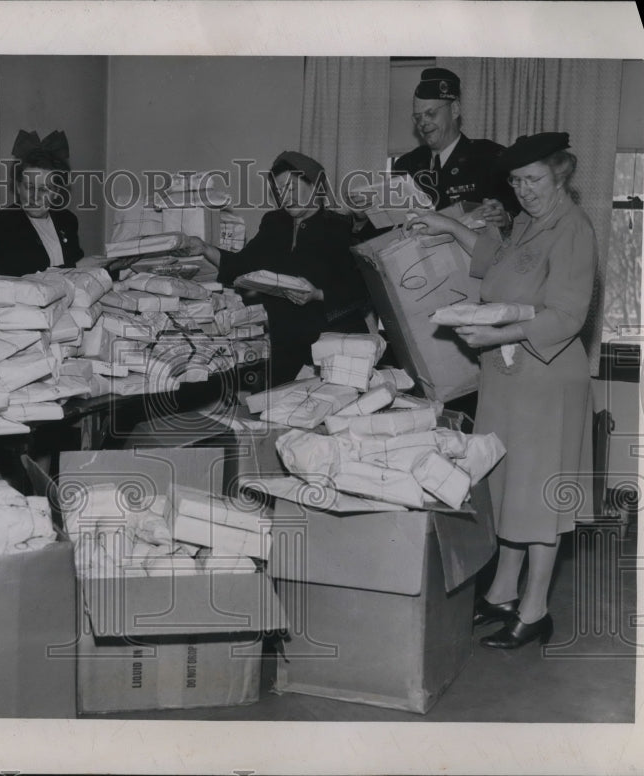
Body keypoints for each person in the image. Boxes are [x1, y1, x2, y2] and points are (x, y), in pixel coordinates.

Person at [409, 132, 597, 649]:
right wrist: (447, 224)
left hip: (546, 379)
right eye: (515, 181)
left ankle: (535, 609)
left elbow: (567, 315)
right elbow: (493, 260)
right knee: (506, 484)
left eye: (534, 179)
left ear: (561, 174)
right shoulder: (530, 224)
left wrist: (496, 333)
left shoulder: (572, 229)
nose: (525, 190)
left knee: (537, 495)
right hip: (509, 377)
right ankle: (501, 593)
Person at [179, 151, 373, 387]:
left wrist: (317, 295)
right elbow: (242, 266)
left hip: (337, 343)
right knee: (271, 410)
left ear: (314, 186)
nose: (285, 197)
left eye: (291, 188)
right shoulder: (274, 223)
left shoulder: (340, 227)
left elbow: (362, 290)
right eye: (280, 191)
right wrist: (204, 247)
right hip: (287, 344)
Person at [391, 67, 518, 228]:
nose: (423, 123)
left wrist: (505, 218)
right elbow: (387, 229)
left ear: (455, 110)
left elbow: (518, 216)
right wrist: (363, 218)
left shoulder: (489, 158)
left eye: (430, 114)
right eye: (417, 117)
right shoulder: (406, 165)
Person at [0, 129, 83, 275]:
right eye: (29, 187)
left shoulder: (68, 220)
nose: (35, 196)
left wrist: (113, 267)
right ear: (18, 187)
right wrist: (75, 267)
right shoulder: (2, 222)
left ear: (56, 192)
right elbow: (18, 273)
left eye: (44, 189)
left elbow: (80, 269)